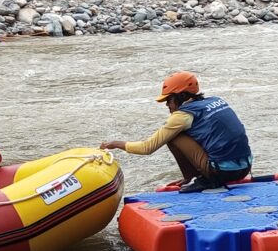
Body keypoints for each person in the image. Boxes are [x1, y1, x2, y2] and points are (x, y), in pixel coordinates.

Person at [100, 72, 253, 192]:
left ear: (182, 96)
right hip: (245, 167)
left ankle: (195, 179)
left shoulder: (182, 115)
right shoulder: (216, 100)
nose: (167, 105)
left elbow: (147, 148)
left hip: (221, 172)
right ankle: (202, 175)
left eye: (169, 100)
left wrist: (116, 144)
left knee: (174, 136)